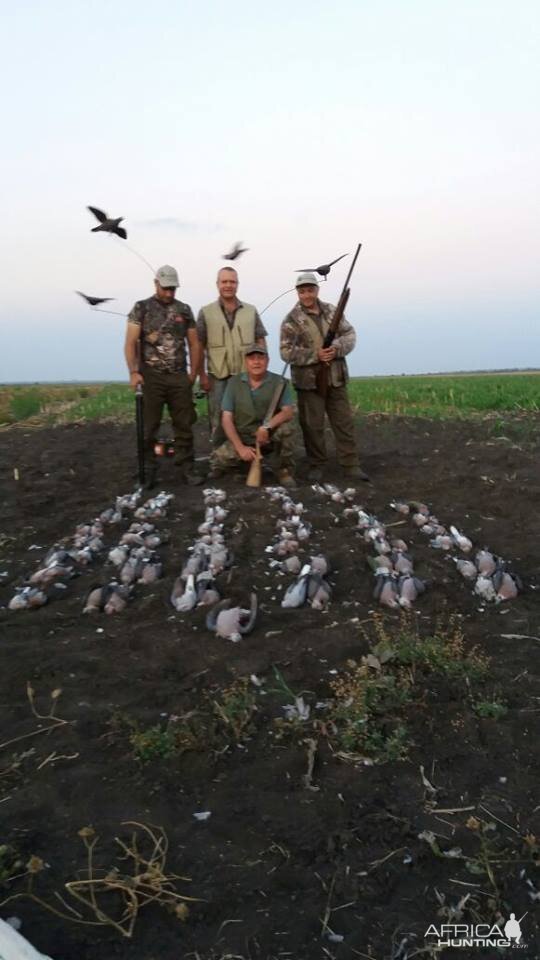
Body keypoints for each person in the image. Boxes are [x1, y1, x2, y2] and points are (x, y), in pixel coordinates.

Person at [280, 272, 369, 482]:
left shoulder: (332, 311)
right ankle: (316, 465)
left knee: (343, 422)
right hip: (308, 383)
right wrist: (315, 355)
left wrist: (336, 349)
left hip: (336, 378)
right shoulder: (290, 320)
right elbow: (285, 352)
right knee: (312, 426)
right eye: (302, 291)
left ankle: (351, 465)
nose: (307, 294)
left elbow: (350, 334)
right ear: (298, 293)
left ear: (316, 290)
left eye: (310, 290)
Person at [124, 264, 202, 486]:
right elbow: (130, 343)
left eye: (173, 289)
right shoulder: (141, 308)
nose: (169, 293)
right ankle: (148, 470)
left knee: (184, 425)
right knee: (149, 427)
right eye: (166, 288)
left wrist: (192, 375)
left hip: (179, 375)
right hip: (151, 376)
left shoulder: (184, 310)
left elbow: (195, 344)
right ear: (156, 283)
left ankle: (186, 468)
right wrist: (133, 373)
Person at [211, 344, 296, 486]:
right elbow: (226, 419)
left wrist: (267, 427)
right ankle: (243, 466)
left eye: (260, 358)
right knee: (219, 460)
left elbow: (288, 411)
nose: (256, 362)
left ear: (267, 361)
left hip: (268, 436)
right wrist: (240, 447)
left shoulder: (279, 382)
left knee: (288, 427)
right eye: (252, 358)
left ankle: (283, 470)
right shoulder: (234, 383)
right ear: (246, 362)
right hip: (243, 436)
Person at [197, 267, 267, 438]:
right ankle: (220, 460)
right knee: (219, 421)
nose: (228, 285)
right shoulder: (205, 312)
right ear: (217, 284)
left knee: (248, 419)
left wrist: (262, 369)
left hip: (246, 377)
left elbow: (260, 339)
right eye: (224, 281)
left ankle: (248, 458)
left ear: (237, 284)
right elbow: (199, 345)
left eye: (232, 281)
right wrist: (202, 376)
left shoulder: (250, 311)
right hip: (217, 378)